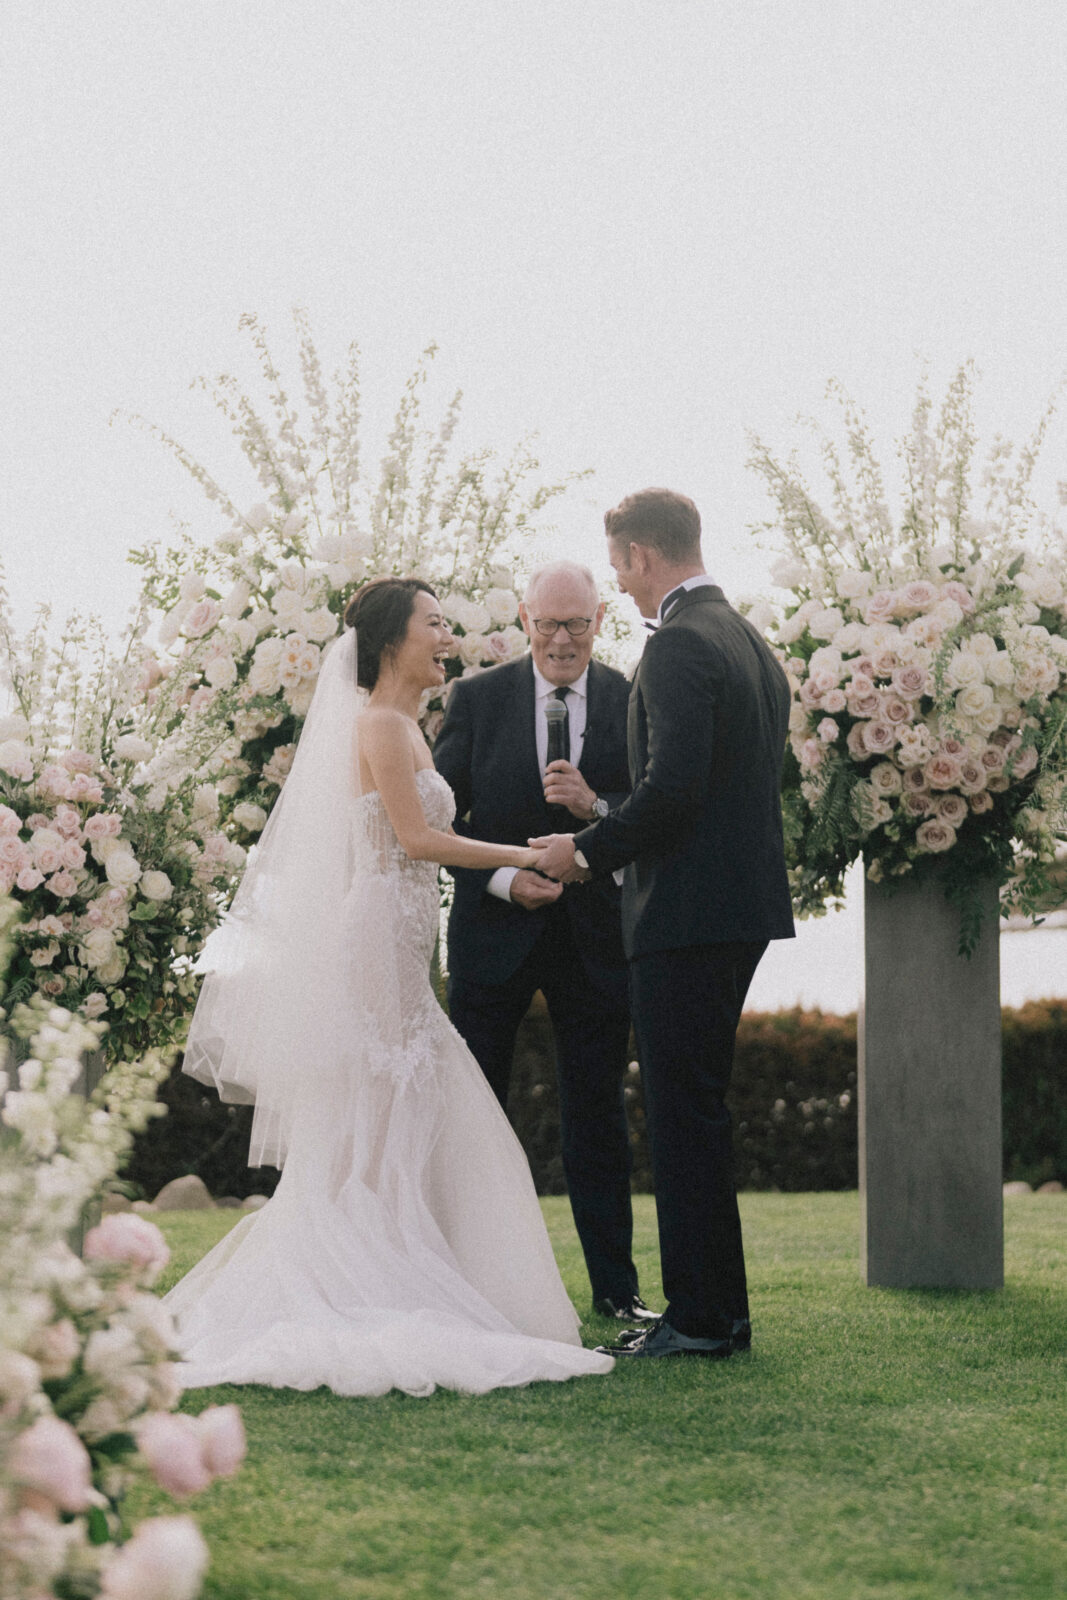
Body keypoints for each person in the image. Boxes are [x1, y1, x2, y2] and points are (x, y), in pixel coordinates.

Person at [165, 577, 614, 1397]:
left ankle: (398, 1261)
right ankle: (365, 1274)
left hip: (401, 941)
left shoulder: (407, 725)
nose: (448, 637)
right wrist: (523, 856)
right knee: (387, 1096)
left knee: (401, 1101)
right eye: (434, 624)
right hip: (373, 939)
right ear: (390, 642)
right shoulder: (375, 723)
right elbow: (415, 838)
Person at [531, 490, 794, 1361]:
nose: (621, 584)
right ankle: (720, 1308)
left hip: (682, 913)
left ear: (641, 556)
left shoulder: (680, 645)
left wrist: (587, 848)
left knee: (683, 1116)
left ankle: (701, 1318)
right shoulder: (746, 640)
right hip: (735, 906)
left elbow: (676, 791)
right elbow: (711, 790)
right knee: (699, 1111)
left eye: (617, 568)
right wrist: (609, 814)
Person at [434, 562, 655, 1324]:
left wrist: (596, 813)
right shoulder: (477, 697)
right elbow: (437, 824)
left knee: (596, 1118)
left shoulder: (633, 698)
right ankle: (461, 1286)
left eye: (578, 624)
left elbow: (656, 810)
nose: (562, 640)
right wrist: (502, 878)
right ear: (522, 617)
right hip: (493, 935)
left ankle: (617, 1293)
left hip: (595, 939)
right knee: (471, 1114)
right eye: (547, 624)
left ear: (600, 620)